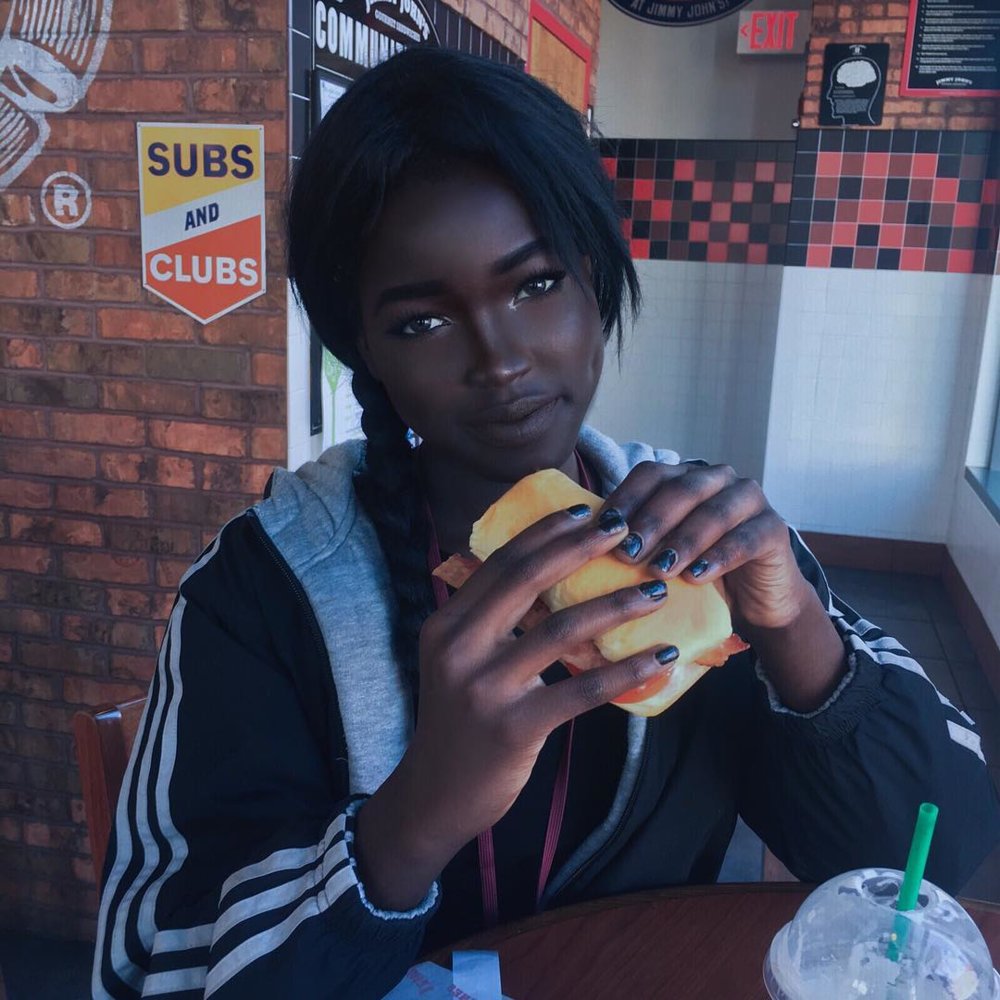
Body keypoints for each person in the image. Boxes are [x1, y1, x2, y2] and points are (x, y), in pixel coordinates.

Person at [93, 47, 1000, 999]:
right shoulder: (264, 586)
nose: (502, 360)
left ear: (593, 275)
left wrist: (794, 631)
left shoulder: (702, 540)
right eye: (423, 322)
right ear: (364, 349)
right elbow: (147, 964)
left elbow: (925, 867)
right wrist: (416, 816)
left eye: (535, 285)